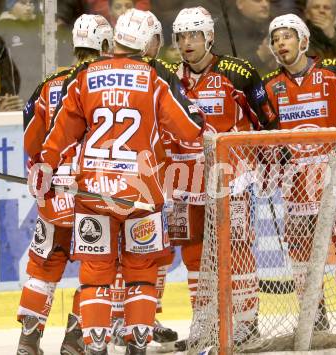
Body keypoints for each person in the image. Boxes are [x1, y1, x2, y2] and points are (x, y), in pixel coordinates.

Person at [29, 7, 205, 354]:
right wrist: (198, 119)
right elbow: (189, 131)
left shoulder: (86, 76)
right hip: (140, 195)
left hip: (93, 192)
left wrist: (47, 164)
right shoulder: (152, 79)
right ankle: (137, 347)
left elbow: (61, 130)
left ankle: (95, 347)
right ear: (143, 40)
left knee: (96, 273)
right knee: (141, 270)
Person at [262, 13, 336, 337]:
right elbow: (265, 135)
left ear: (303, 40)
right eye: (275, 38)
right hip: (297, 180)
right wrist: (274, 156)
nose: (280, 43)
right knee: (301, 253)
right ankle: (313, 314)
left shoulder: (334, 72)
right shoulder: (270, 86)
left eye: (286, 36)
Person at [165, 6, 274, 351]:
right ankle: (203, 320)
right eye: (181, 36)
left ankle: (245, 322)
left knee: (238, 247)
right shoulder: (169, 77)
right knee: (194, 252)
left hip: (233, 178)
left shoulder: (238, 73)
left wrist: (268, 166)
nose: (187, 42)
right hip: (186, 178)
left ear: (209, 36)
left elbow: (267, 123)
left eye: (194, 35)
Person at [18, 13, 113, 355]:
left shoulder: (49, 84)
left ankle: (28, 341)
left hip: (54, 191)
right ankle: (75, 339)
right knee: (97, 266)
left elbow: (32, 142)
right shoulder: (109, 83)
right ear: (105, 43)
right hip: (94, 191)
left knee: (44, 265)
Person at [107, 9, 179, 353]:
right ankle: (124, 316)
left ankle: (142, 317)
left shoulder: (101, 71)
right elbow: (186, 122)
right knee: (138, 251)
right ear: (148, 41)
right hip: (142, 178)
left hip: (111, 176)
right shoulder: (158, 74)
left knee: (136, 252)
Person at [0, 0, 43, 101]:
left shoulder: (40, 25)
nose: (28, 8)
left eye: (31, 3)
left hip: (38, 87)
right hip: (13, 92)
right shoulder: (1, 27)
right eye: (23, 3)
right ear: (10, 6)